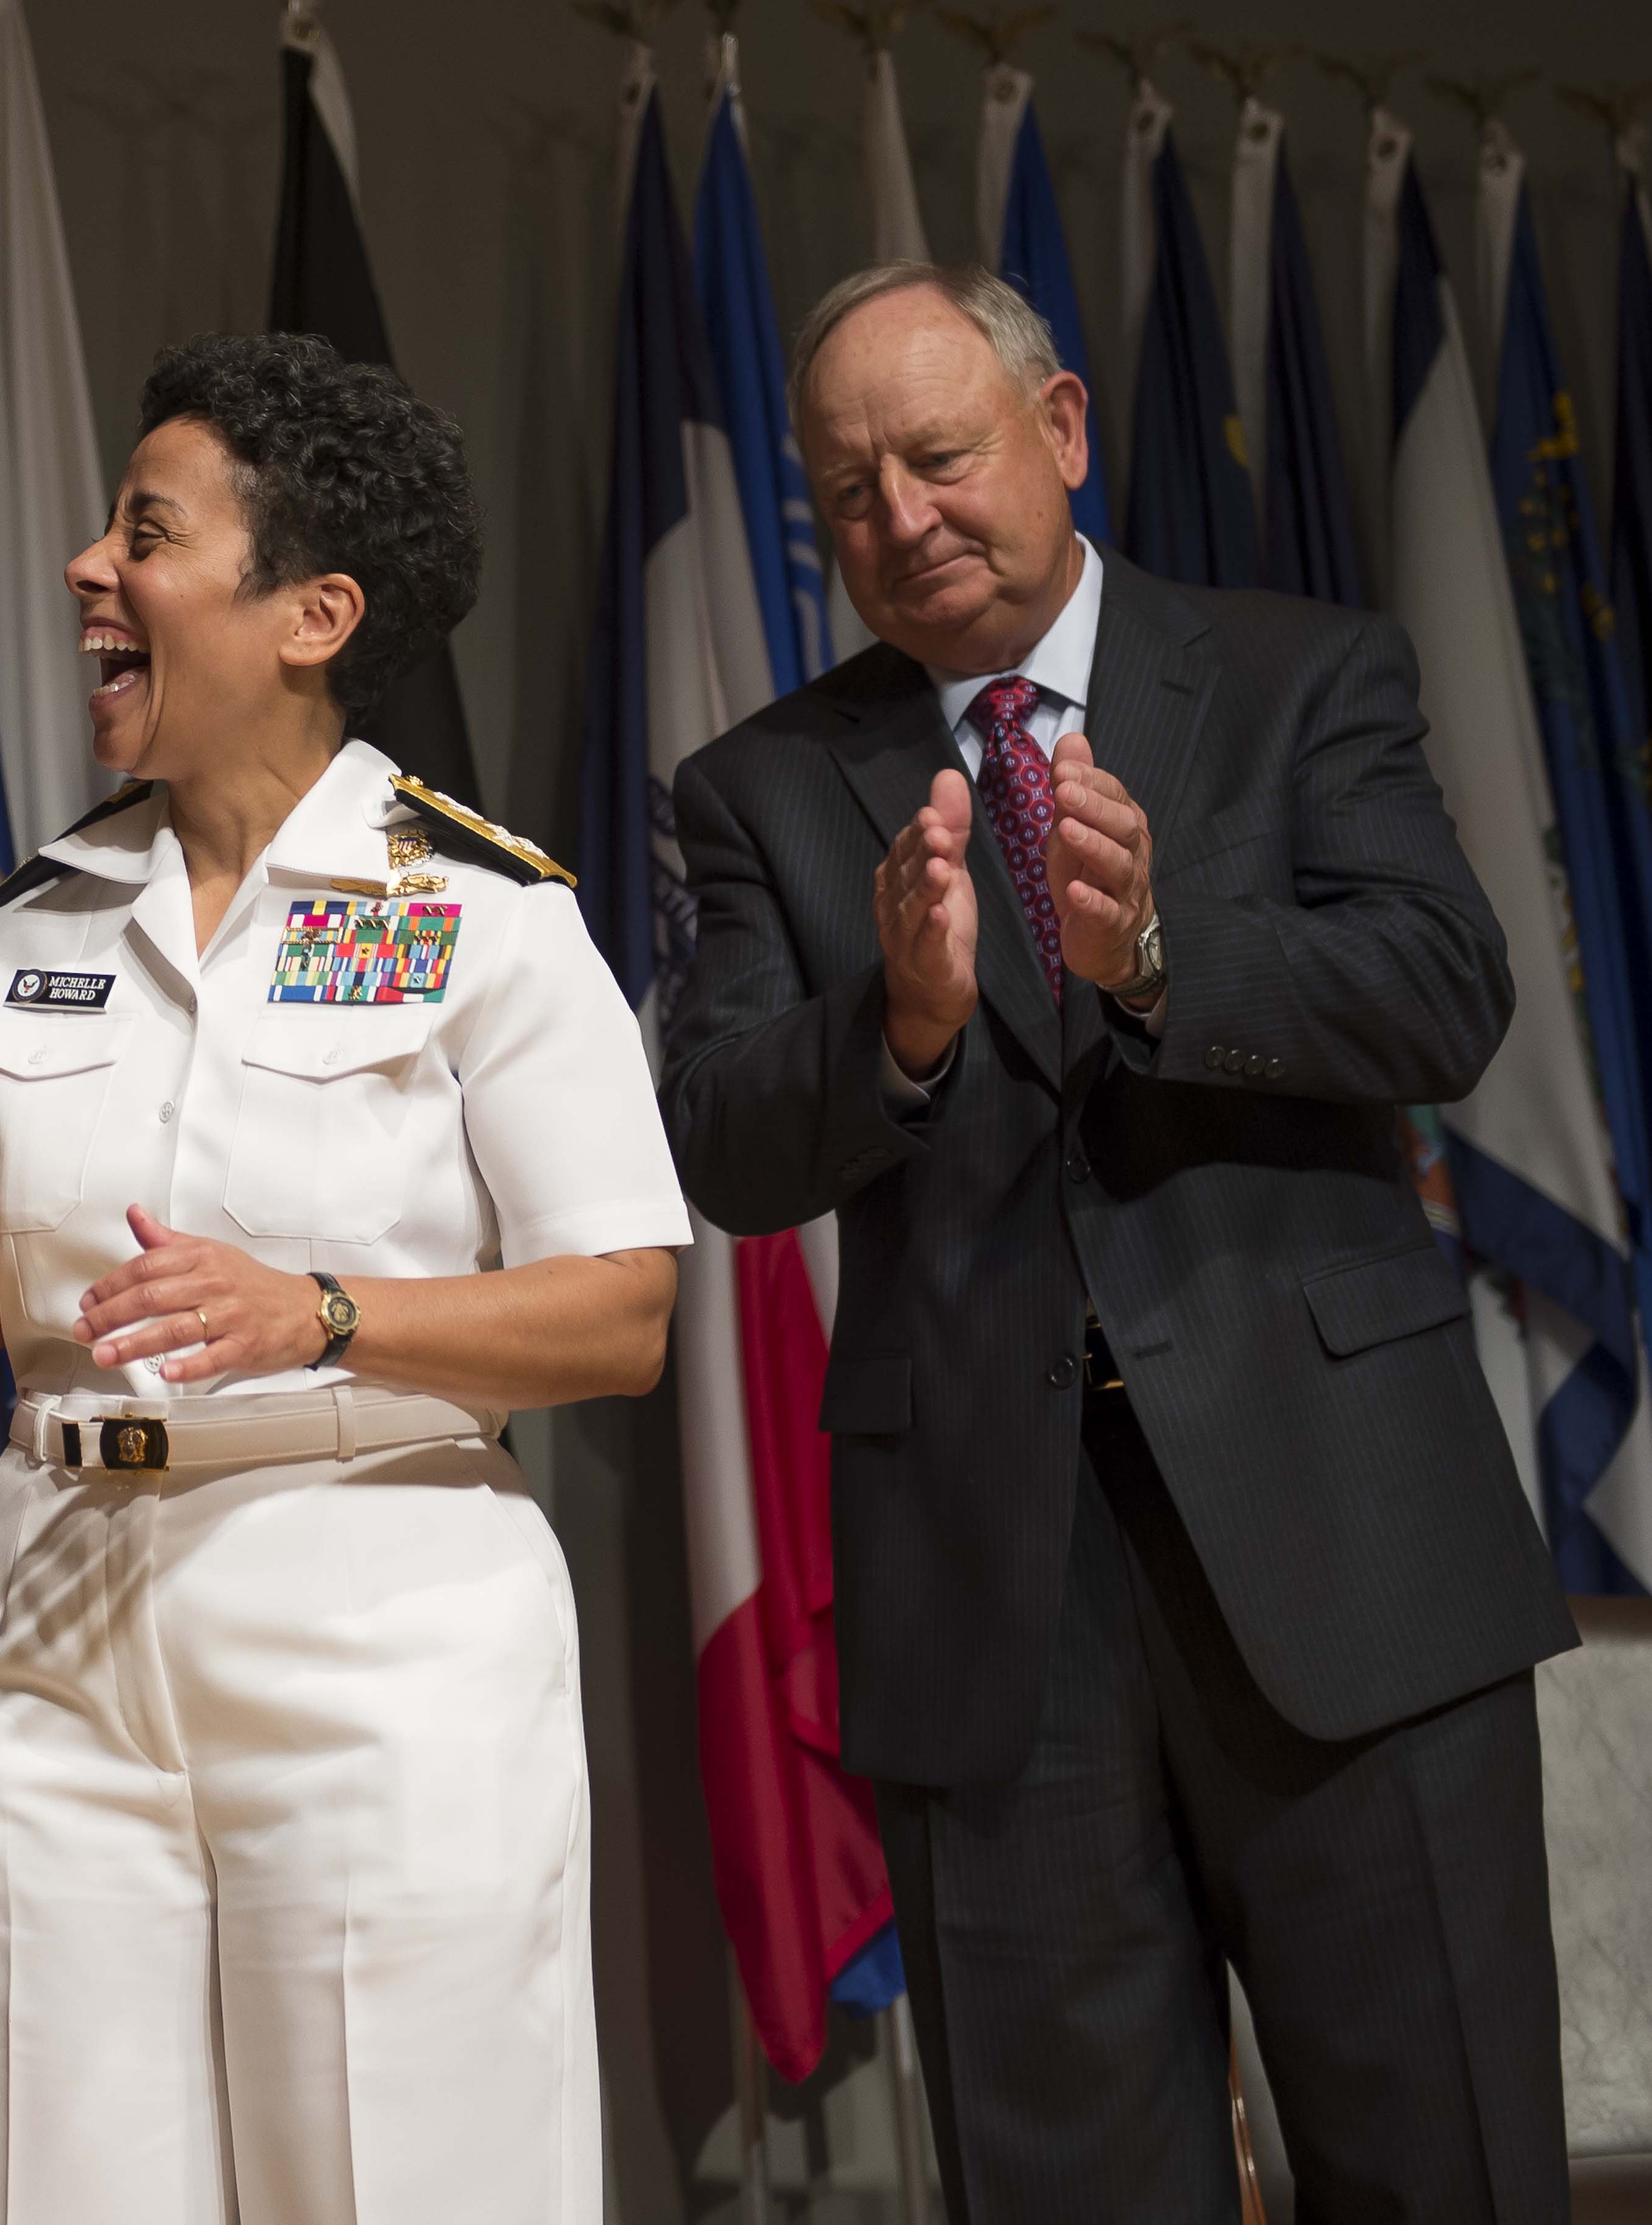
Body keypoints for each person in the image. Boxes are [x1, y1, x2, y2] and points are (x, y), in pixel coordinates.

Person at [0, 332, 685, 2223]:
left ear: (312, 611)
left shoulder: (484, 913)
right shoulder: (41, 923)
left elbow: (624, 1308)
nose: (89, 570)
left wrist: (321, 1311)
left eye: (145, 533)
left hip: (376, 1622)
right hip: (44, 1632)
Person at [663, 262, 1575, 2221]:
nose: (900, 518)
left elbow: (1443, 992)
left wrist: (1161, 956)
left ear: (1060, 429)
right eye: (848, 492)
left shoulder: (1295, 673)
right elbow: (724, 1141)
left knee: (1450, 2176)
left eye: (939, 456)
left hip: (1349, 1559)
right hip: (999, 1620)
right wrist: (896, 1024)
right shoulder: (758, 788)